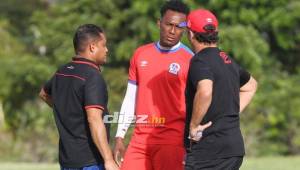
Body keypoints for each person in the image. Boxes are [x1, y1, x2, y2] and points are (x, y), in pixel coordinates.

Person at [113, 1, 193, 170]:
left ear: (185, 29)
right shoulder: (140, 54)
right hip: (139, 140)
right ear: (159, 23)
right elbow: (130, 98)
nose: (172, 31)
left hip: (172, 141)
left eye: (179, 27)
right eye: (168, 24)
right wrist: (120, 135)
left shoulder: (191, 60)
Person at [184, 9, 258, 170]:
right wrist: (229, 114)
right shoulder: (226, 59)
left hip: (209, 150)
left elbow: (205, 90)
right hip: (233, 148)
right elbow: (251, 85)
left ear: (190, 34)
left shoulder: (199, 60)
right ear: (216, 32)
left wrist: (194, 126)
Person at [39, 24, 119, 170]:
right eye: (104, 45)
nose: (106, 50)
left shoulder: (61, 71)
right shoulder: (92, 76)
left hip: (67, 161)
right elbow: (94, 119)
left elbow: (44, 94)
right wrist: (108, 160)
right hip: (91, 162)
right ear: (92, 47)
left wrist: (65, 110)